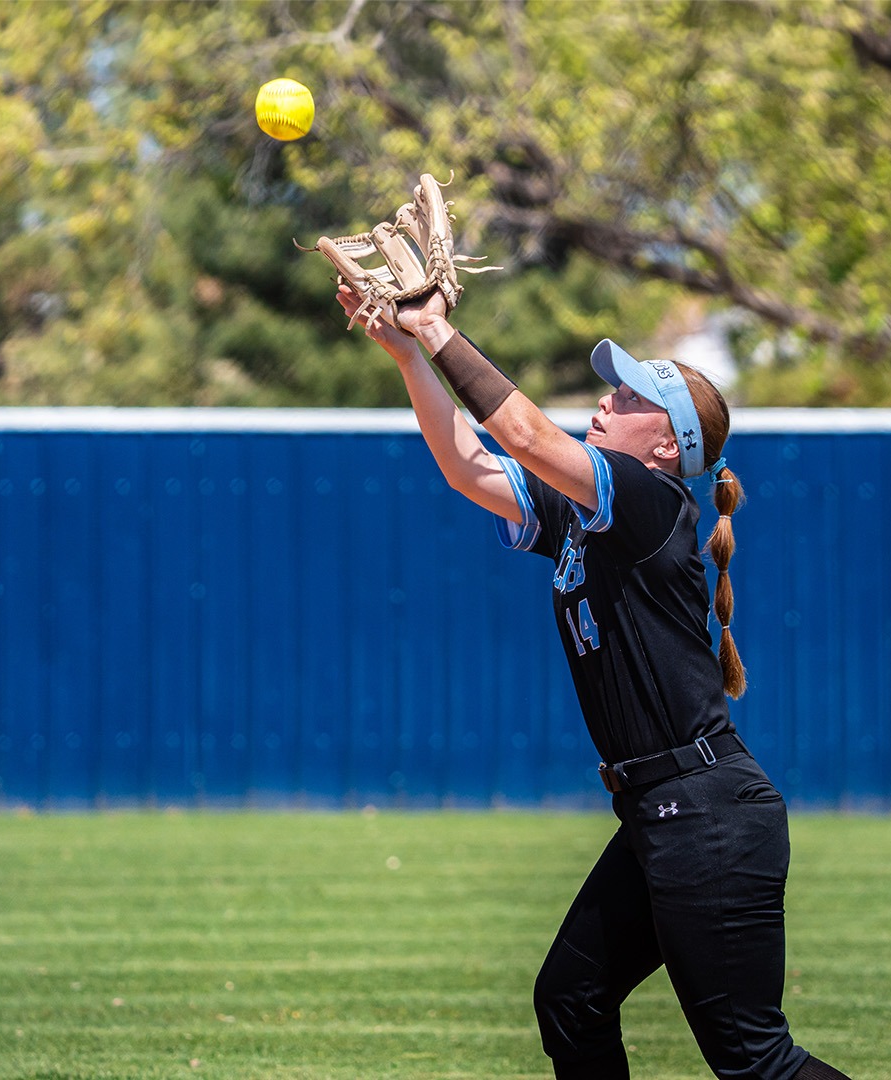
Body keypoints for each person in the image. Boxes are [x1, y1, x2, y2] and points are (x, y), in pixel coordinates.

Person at [336, 283, 852, 1080]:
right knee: (572, 997)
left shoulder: (653, 502)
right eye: (615, 387)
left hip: (708, 819)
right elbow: (472, 468)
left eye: (632, 396)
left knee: (754, 1061)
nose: (609, 400)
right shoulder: (596, 513)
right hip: (663, 814)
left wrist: (438, 330)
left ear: (666, 447)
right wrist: (408, 354)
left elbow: (526, 433)